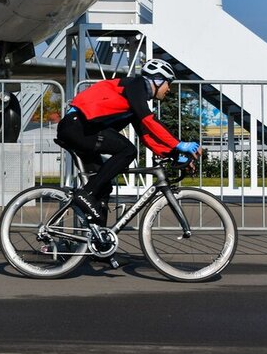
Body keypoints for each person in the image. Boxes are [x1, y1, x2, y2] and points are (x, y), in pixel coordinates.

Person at [56, 58, 201, 228]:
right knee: (128, 151)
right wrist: (179, 144)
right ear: (158, 80)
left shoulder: (133, 101)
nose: (168, 89)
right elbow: (149, 119)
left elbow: (147, 137)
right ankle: (86, 194)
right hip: (77, 126)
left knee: (103, 190)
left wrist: (175, 154)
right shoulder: (136, 85)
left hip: (84, 130)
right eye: (168, 83)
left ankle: (100, 247)